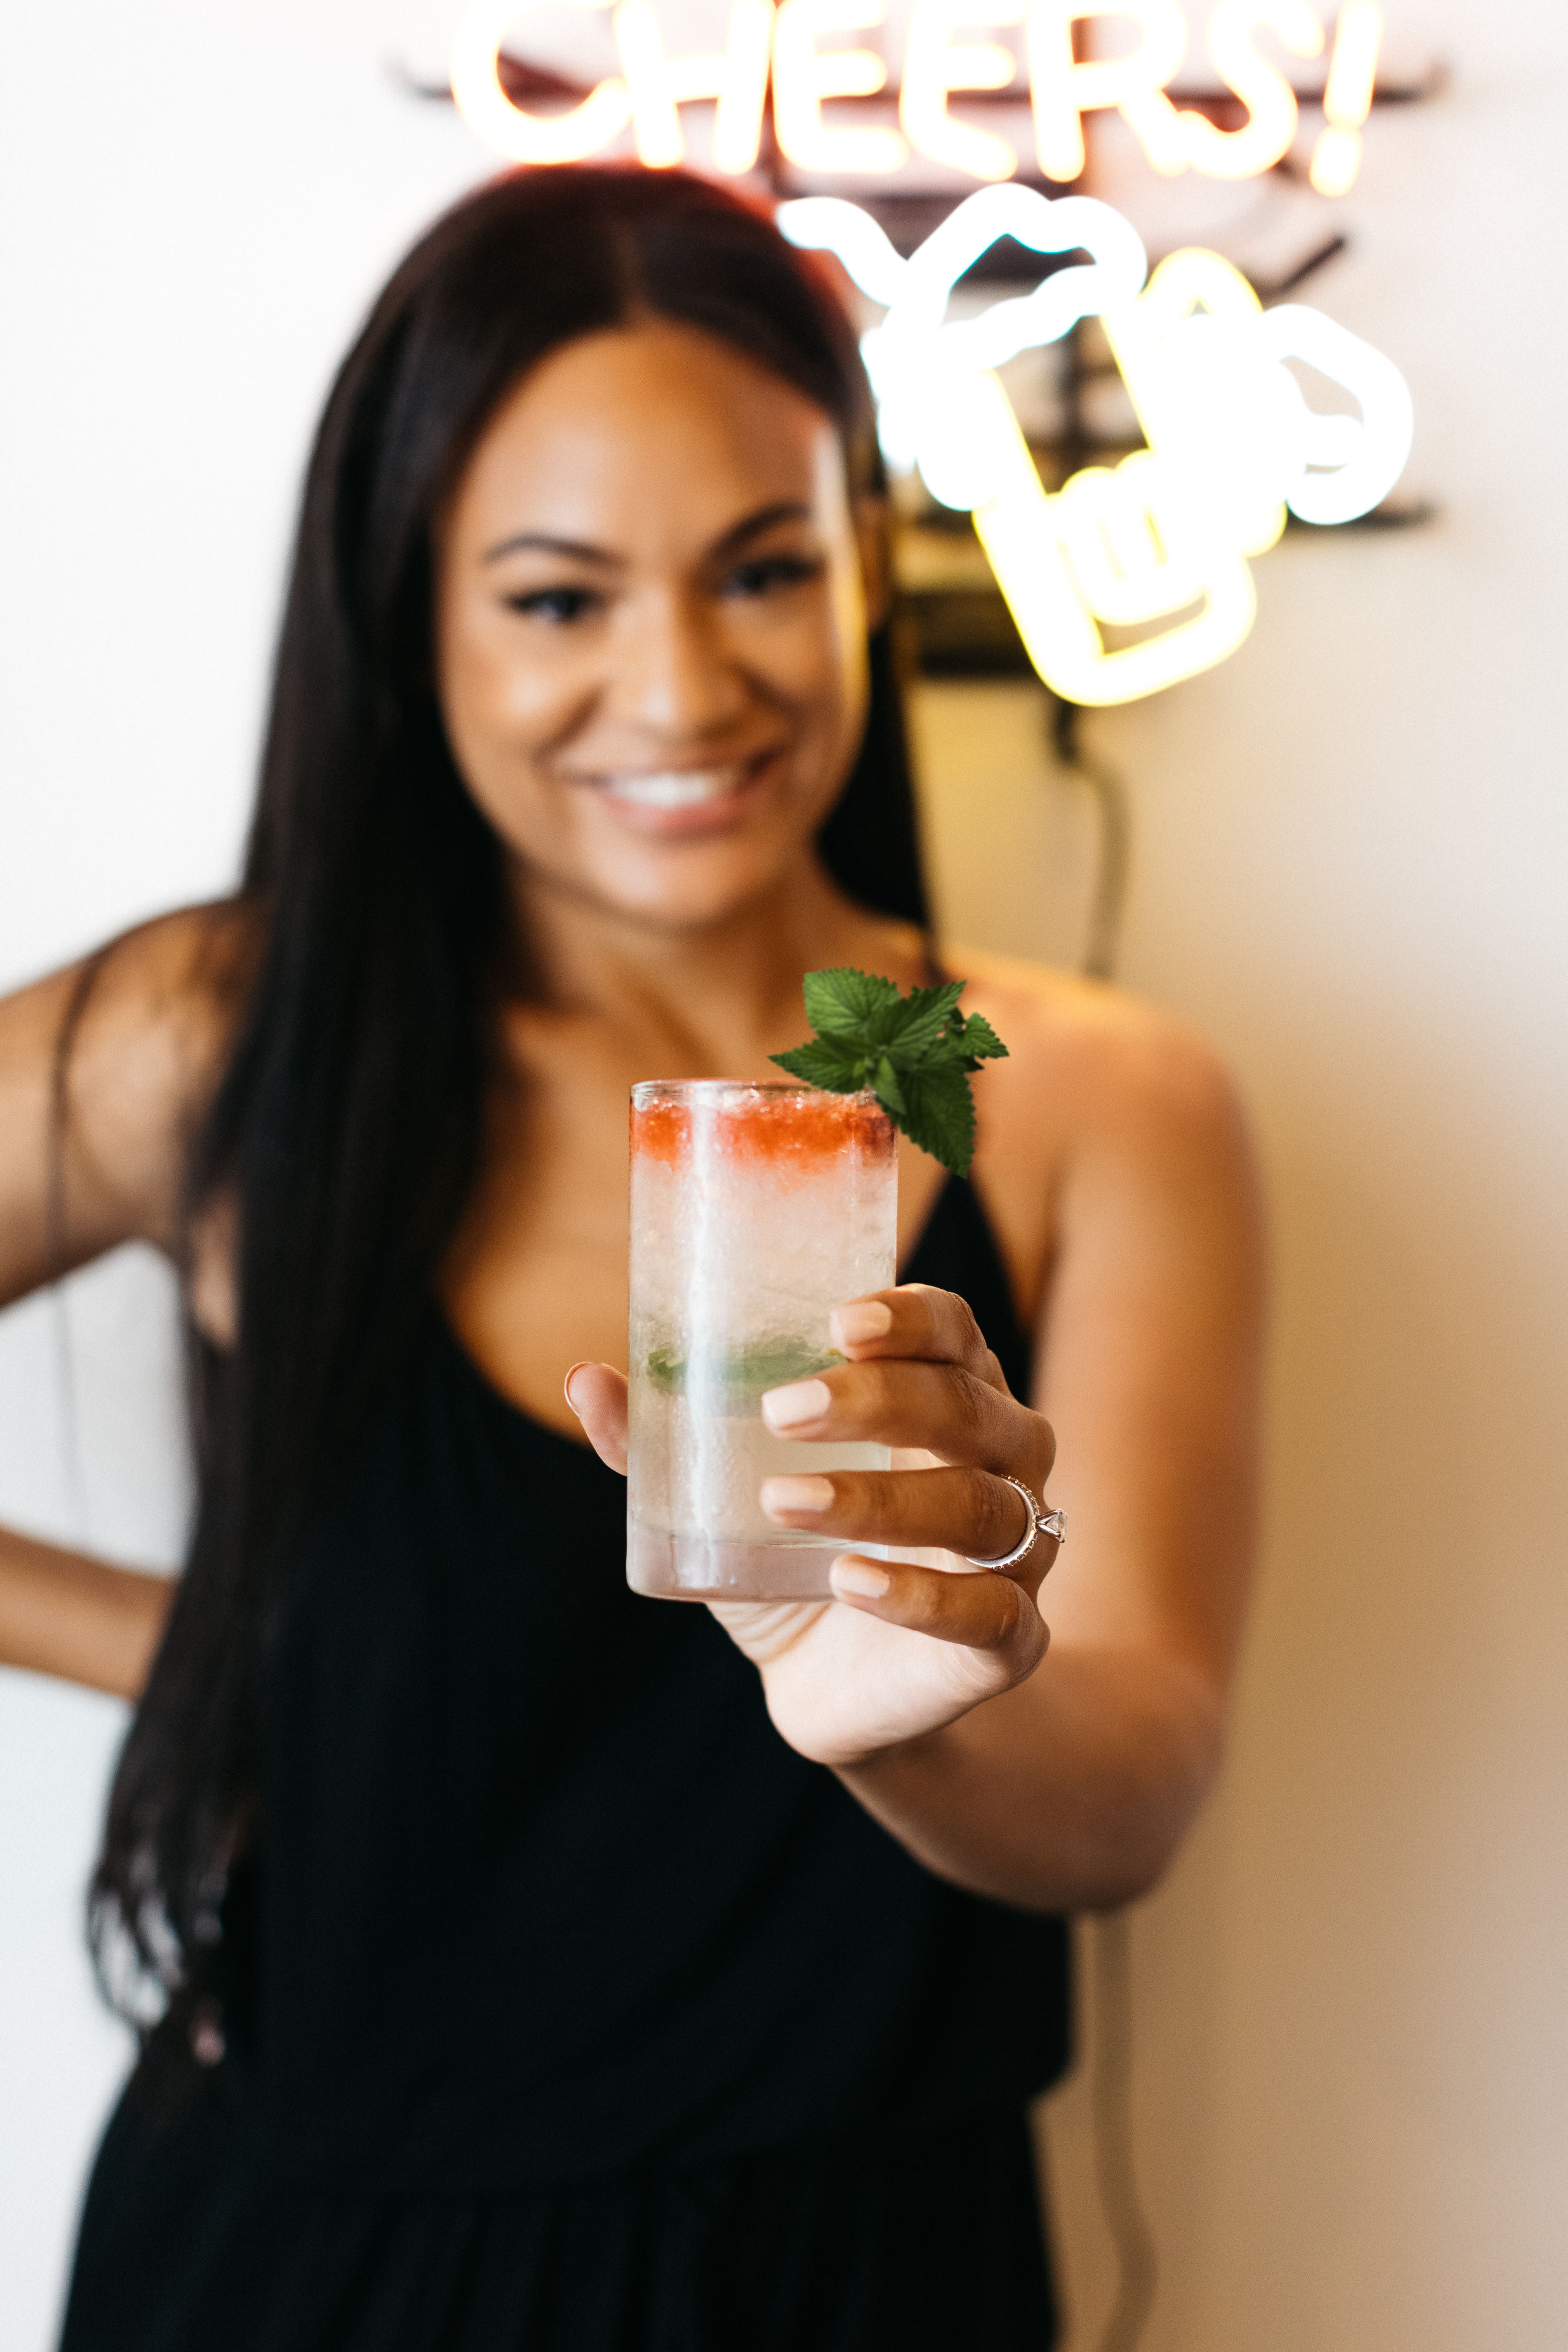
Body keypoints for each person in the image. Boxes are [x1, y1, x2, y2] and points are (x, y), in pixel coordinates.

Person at [0, 165, 1263, 2350]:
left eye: (762, 568)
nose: (679, 690)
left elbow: (1128, 1790)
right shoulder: (219, 1041)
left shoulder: (1094, 1099)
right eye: (557, 598)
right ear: (408, 614)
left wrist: (913, 1718)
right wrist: (221, 1667)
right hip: (319, 2266)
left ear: (859, 563)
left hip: (868, 2281)